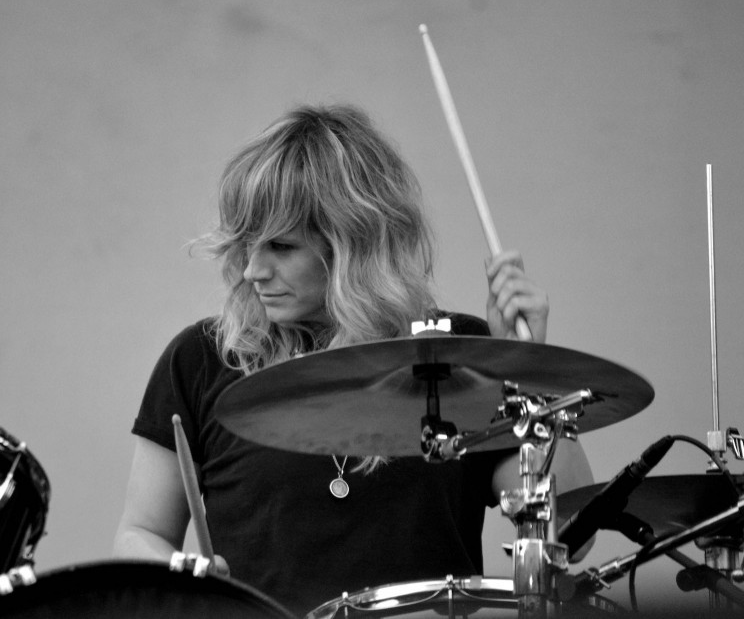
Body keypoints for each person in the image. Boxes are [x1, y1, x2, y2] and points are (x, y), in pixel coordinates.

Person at [113, 104, 593, 616]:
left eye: (281, 246)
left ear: (354, 244)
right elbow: (139, 532)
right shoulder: (202, 360)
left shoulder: (460, 354)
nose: (253, 269)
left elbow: (571, 534)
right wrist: (181, 574)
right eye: (248, 243)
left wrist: (529, 368)